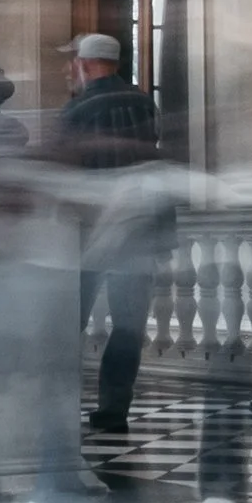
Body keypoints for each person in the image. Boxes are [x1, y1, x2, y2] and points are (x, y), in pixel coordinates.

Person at [59, 30, 159, 439]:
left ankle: (61, 404)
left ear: (84, 64)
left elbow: (65, 171)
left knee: (69, 321)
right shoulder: (144, 103)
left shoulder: (78, 109)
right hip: (138, 230)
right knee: (129, 324)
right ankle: (115, 407)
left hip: (89, 232)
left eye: (74, 63)